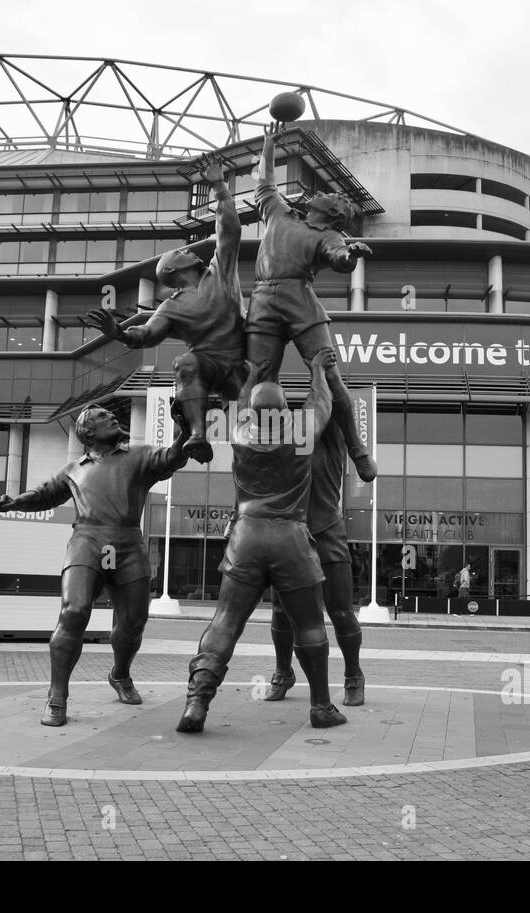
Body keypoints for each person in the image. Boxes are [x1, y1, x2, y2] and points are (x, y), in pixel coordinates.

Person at [176, 351, 347, 733]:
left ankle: (197, 702)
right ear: (285, 409)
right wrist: (317, 370)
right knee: (309, 623)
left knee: (225, 621)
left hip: (247, 537)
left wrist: (250, 374)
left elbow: (240, 403)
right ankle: (321, 705)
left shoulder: (239, 431)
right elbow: (322, 400)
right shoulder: (302, 430)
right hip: (291, 537)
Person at [0, 403, 189, 727]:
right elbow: (44, 494)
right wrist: (15, 503)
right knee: (73, 611)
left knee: (133, 622)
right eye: (101, 416)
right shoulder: (73, 469)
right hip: (87, 541)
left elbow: (173, 457)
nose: (112, 416)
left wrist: (183, 428)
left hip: (127, 543)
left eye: (111, 415)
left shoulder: (138, 457)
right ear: (88, 432)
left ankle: (120, 674)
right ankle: (57, 697)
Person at [82, 161, 244, 464]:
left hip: (247, 357)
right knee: (185, 362)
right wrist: (117, 332)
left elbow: (230, 228)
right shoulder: (172, 306)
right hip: (211, 365)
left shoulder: (219, 271)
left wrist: (220, 186)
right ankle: (197, 434)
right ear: (172, 269)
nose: (189, 251)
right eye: (181, 253)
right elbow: (145, 335)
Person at [246, 124, 377, 483]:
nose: (318, 193)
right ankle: (259, 469)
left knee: (330, 375)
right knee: (258, 383)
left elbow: (338, 258)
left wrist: (350, 255)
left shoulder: (329, 235)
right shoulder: (279, 212)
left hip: (299, 300)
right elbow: (264, 184)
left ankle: (356, 448)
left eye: (327, 195)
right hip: (262, 302)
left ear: (333, 212)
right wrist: (269, 146)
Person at [265, 418, 365, 706]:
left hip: (327, 532)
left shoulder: (330, 434)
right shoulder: (282, 439)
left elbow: (336, 394)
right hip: (291, 536)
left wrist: (321, 370)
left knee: (341, 611)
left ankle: (353, 675)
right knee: (280, 612)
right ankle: (283, 673)